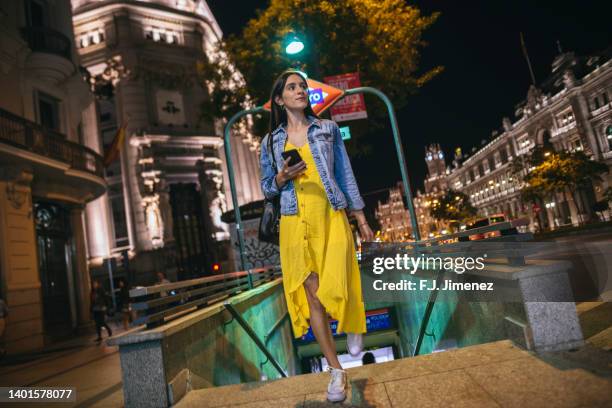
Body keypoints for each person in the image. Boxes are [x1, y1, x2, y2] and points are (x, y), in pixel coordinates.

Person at [259, 70, 374, 402]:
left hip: (330, 214)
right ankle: (336, 371)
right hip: (295, 222)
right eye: (292, 87)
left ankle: (353, 318)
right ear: (279, 100)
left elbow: (344, 174)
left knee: (340, 274)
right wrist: (281, 177)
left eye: (303, 86)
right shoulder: (270, 142)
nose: (300, 91)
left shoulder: (328, 129)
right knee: (314, 298)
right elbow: (266, 187)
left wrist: (360, 216)